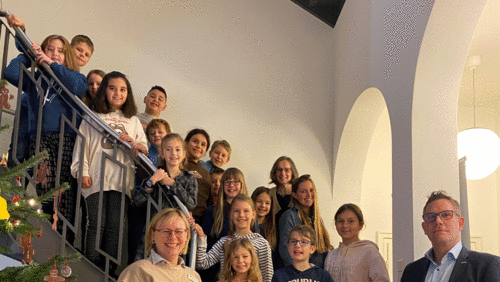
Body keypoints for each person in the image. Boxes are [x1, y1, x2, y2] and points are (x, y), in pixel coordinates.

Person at [4, 32, 87, 241]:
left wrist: (52, 63)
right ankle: (50, 238)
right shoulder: (35, 78)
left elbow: (77, 87)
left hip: (65, 139)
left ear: (66, 54)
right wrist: (28, 54)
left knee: (64, 196)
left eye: (60, 50)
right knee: (46, 192)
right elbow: (11, 73)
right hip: (39, 139)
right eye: (50, 49)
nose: (55, 53)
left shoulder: (74, 76)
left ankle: (63, 242)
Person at [70, 71, 147, 273]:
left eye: (123, 89)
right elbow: (82, 145)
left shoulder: (134, 121)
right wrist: (82, 171)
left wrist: (136, 144)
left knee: (115, 226)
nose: (117, 93)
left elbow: (144, 151)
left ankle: (109, 269)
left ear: (128, 93)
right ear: (104, 90)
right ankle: (91, 266)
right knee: (96, 223)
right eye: (112, 88)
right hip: (96, 176)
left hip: (121, 180)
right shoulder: (93, 116)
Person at [401, 190, 500, 282]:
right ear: (424, 228)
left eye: (446, 215)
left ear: (460, 223)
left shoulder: (487, 265)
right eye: (431, 217)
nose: (438, 221)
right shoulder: (411, 271)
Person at [194, 194, 274, 282]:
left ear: (254, 214)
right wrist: (201, 237)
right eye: (236, 211)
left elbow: (268, 277)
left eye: (246, 211)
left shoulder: (262, 244)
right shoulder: (224, 242)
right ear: (231, 214)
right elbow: (202, 263)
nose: (241, 215)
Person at [117, 208, 201, 282]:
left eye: (178, 231)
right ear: (153, 235)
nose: (172, 237)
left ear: (186, 236)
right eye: (165, 231)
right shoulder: (138, 271)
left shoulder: (194, 276)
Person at [200, 168, 249, 282]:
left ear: (242, 184)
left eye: (236, 181)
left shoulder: (250, 212)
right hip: (215, 272)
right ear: (222, 185)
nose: (231, 185)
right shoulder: (211, 212)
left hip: (242, 271)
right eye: (227, 182)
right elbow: (205, 246)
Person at [324, 203, 389, 282]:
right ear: (335, 224)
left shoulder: (370, 252)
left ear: (360, 225)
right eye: (341, 221)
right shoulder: (331, 256)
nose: (345, 225)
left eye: (351, 221)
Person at [278, 174, 331, 268]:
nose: (309, 195)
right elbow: (286, 250)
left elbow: (325, 249)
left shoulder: (318, 219)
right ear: (294, 194)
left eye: (311, 190)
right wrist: (297, 274)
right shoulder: (290, 216)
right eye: (303, 191)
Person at [184, 128, 212, 223]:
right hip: (181, 217)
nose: (198, 146)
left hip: (200, 222)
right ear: (186, 142)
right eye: (195, 141)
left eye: (203, 145)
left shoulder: (206, 174)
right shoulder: (178, 164)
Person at [251, 187, 282, 270]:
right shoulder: (246, 226)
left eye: (267, 203)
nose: (263, 206)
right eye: (259, 201)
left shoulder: (274, 227)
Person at [268, 156, 299, 224]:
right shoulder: (269, 194)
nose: (282, 173)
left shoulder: (299, 194)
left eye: (287, 170)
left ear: (292, 172)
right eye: (279, 170)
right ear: (275, 172)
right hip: (272, 234)